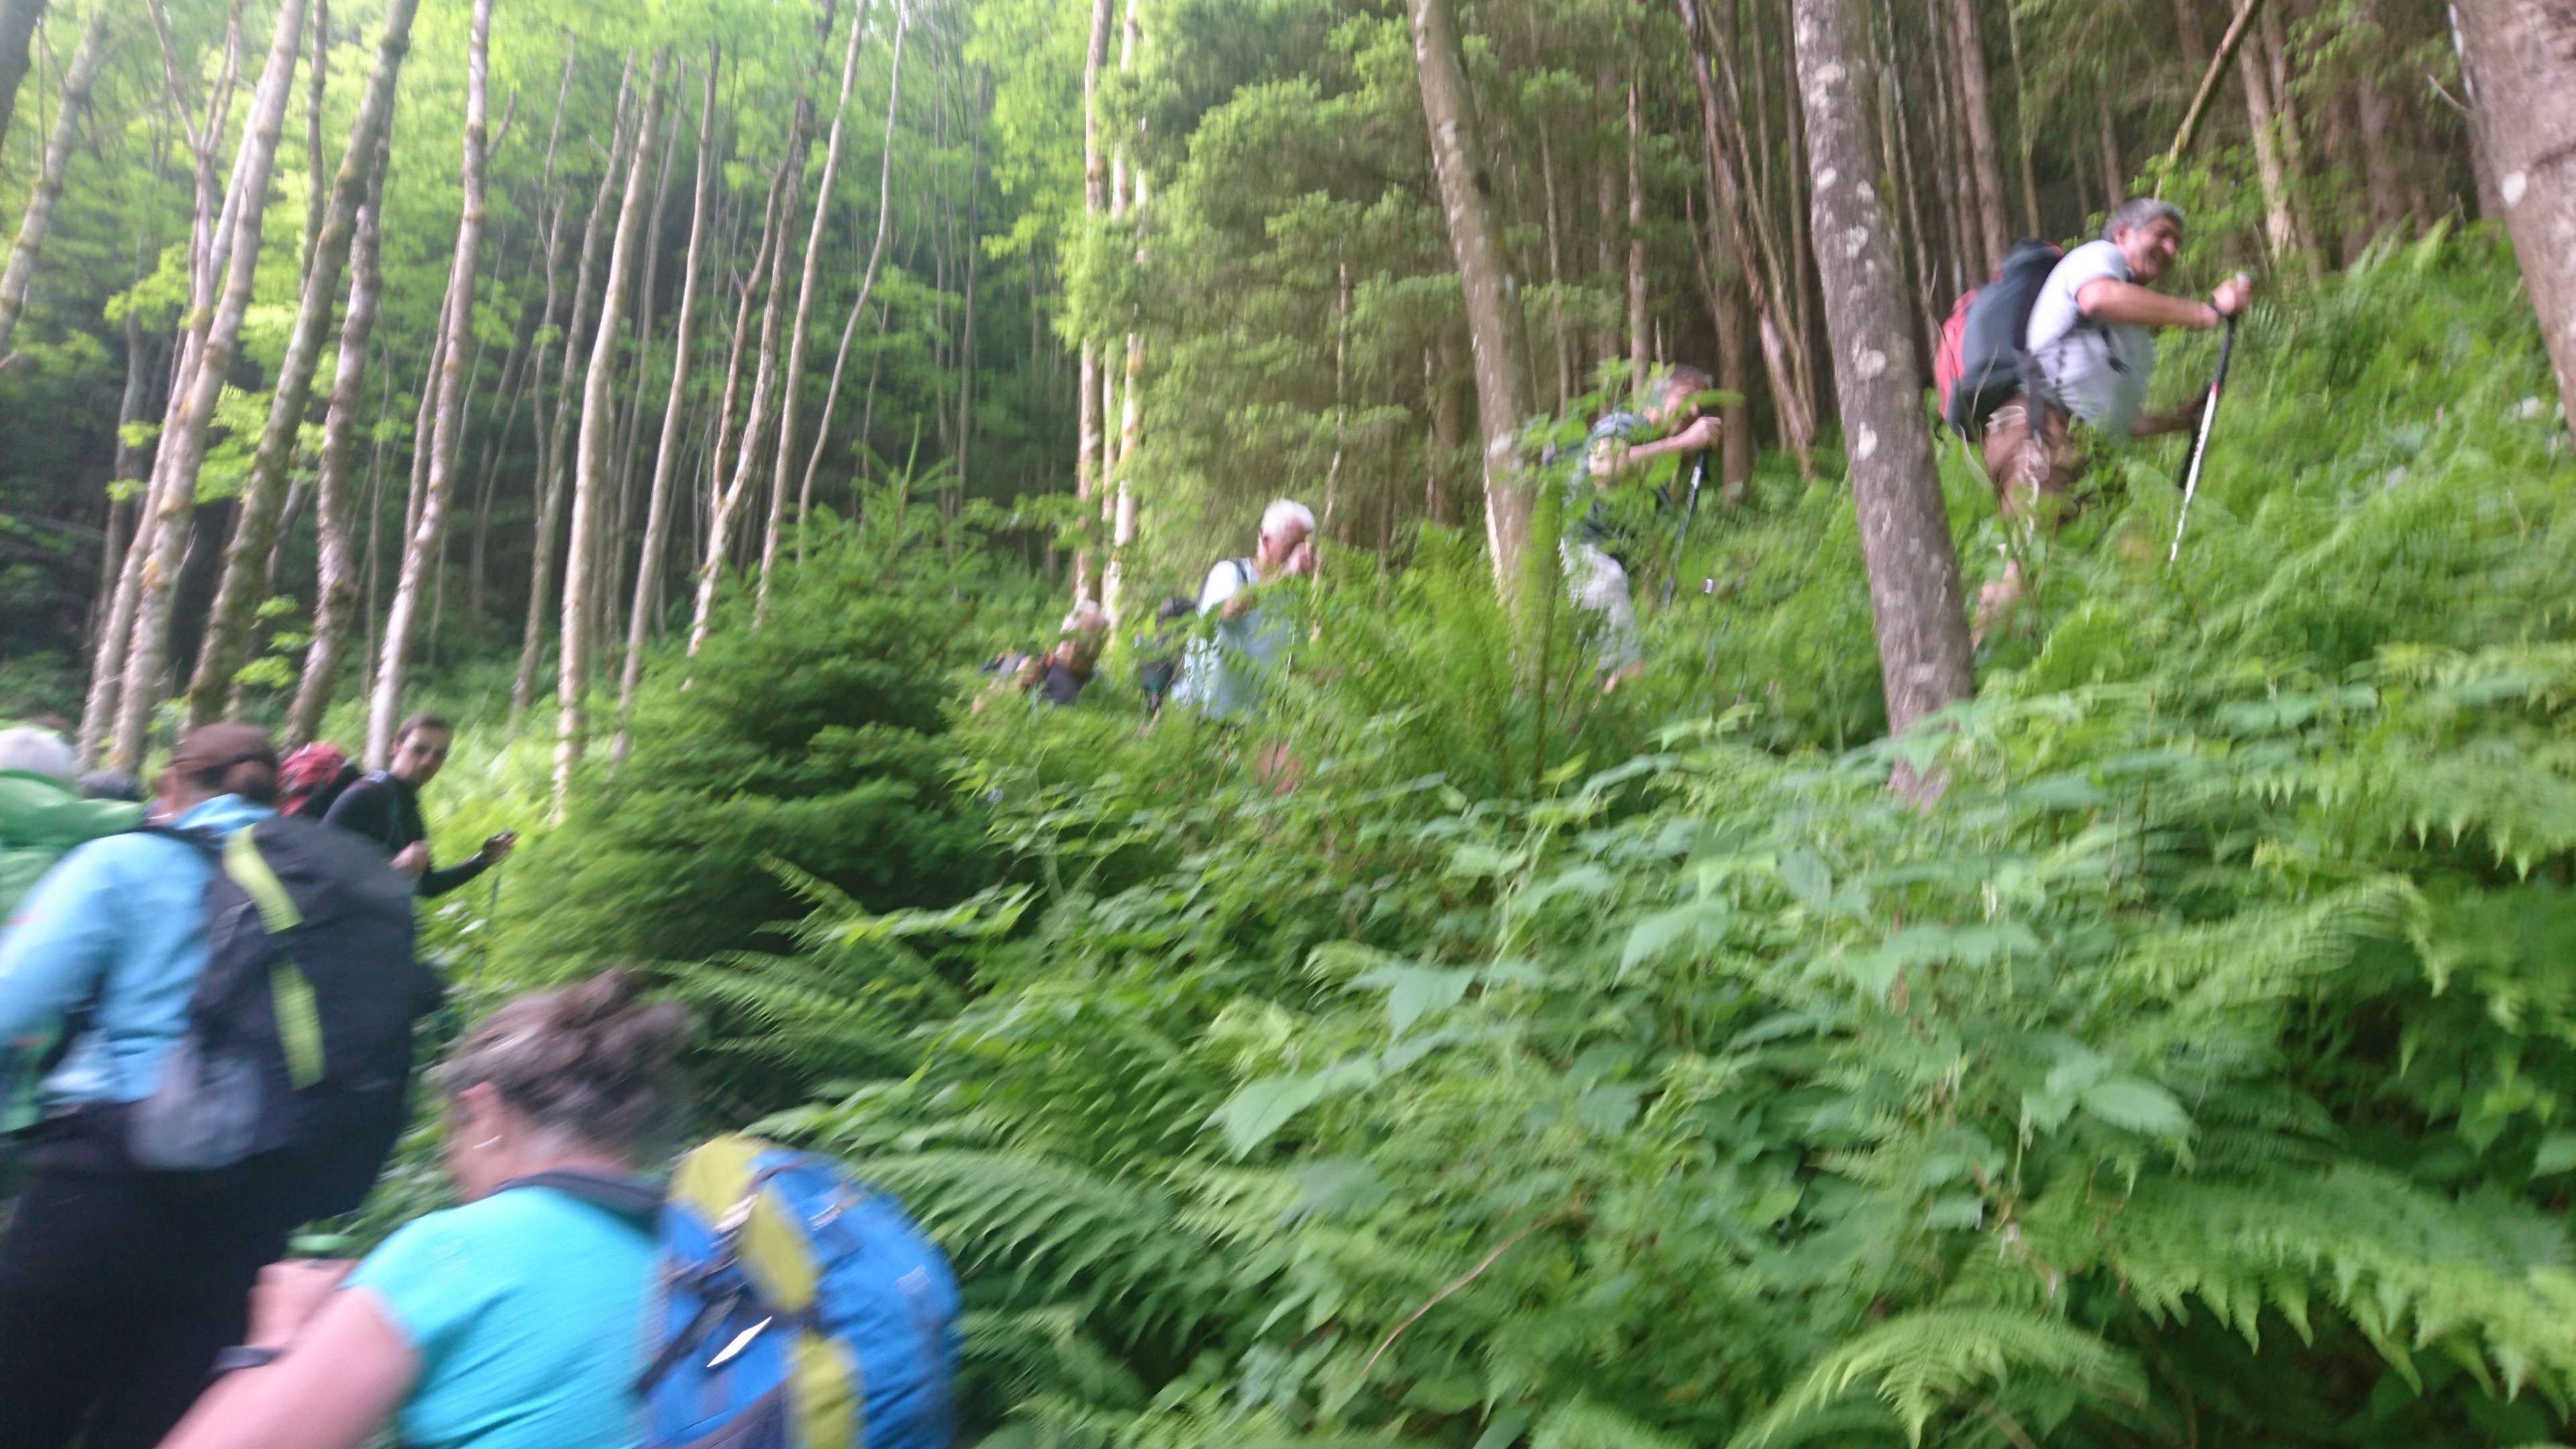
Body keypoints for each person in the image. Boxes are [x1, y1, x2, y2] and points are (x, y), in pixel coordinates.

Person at [156, 970, 691, 1449]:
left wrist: (278, 1335)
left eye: (451, 1135)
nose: (451, 1165)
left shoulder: (457, 1252)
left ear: (482, 1112)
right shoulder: (696, 1246)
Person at [0, 724, 322, 1449]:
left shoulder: (123, 862)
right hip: (252, 1213)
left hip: (101, 1188)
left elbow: (9, 1003)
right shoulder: (322, 882)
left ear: (170, 785)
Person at [1978, 199, 2253, 621]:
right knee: (2026, 561)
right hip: (2039, 427)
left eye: (2177, 242)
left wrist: (2180, 420)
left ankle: (2162, 647)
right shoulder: (2099, 257)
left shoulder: (2135, 337)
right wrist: (2206, 312)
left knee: (2141, 560)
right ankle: (1984, 655)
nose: (2170, 249)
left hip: (2092, 450)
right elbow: (2097, 298)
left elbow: (2120, 421)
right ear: (2123, 234)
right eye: (2161, 234)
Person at [1564, 366, 1725, 690]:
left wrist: (1708, 586)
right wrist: (1684, 442)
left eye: (1700, 404)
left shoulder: (1654, 470)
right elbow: (1604, 466)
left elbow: (1655, 560)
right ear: (1656, 399)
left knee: (1612, 681)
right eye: (1686, 399)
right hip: (1593, 559)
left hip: (1610, 571)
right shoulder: (1624, 424)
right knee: (1629, 676)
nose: (1695, 411)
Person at [323, 713, 514, 897]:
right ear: (396, 747)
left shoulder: (405, 801)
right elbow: (316, 868)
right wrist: (394, 870)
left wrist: (483, 860)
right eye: (419, 749)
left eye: (439, 754)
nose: (428, 761)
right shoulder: (366, 795)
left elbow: (426, 885)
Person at [1174, 498, 1317, 723]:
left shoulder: (1290, 597)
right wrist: (1286, 575)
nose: (1301, 555)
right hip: (1208, 719)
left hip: (1259, 727)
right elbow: (1228, 609)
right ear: (1266, 540)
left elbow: (1296, 664)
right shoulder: (1229, 573)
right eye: (1293, 545)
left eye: (1306, 547)